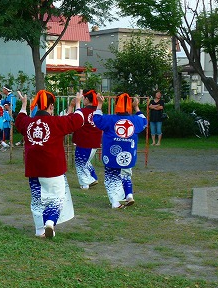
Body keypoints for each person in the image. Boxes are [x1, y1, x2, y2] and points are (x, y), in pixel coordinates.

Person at [14, 90, 85, 238]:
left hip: (33, 169)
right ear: (51, 106)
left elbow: (19, 119)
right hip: (53, 169)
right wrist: (78, 103)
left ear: (36, 106)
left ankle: (40, 230)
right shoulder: (56, 122)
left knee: (37, 200)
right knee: (57, 198)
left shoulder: (28, 123)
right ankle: (50, 222)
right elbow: (78, 120)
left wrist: (24, 105)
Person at [93, 93, 147, 209]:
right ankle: (129, 195)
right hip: (127, 155)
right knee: (126, 175)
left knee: (111, 177)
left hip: (111, 155)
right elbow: (144, 120)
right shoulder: (135, 120)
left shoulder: (109, 119)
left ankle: (116, 203)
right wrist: (136, 107)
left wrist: (100, 104)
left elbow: (96, 119)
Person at [66, 89, 102, 189]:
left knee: (80, 163)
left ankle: (85, 184)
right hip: (95, 142)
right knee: (86, 162)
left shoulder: (82, 111)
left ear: (86, 99)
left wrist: (72, 106)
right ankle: (93, 178)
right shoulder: (98, 112)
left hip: (84, 141)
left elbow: (69, 120)